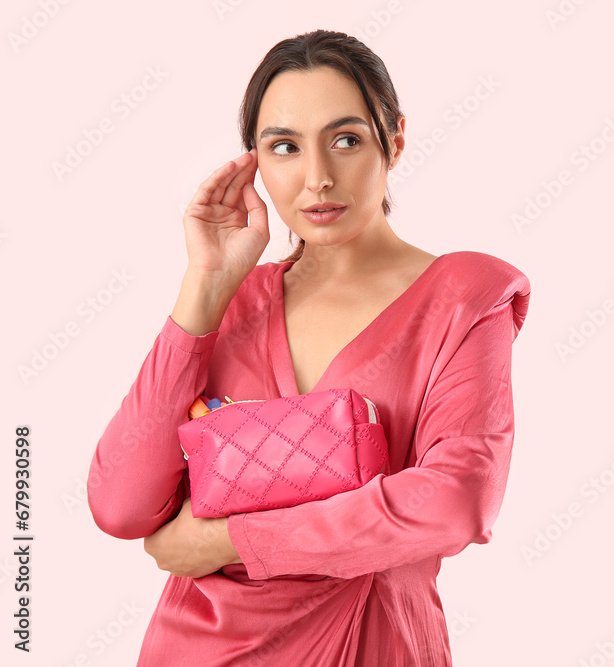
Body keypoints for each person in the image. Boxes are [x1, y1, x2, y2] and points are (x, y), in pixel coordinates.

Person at [86, 29, 530, 666]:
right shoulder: (231, 304)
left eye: (345, 140)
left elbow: (455, 504)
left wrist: (234, 541)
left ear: (394, 140)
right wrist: (204, 287)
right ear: (256, 165)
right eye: (286, 148)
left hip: (373, 645)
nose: (318, 178)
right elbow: (121, 506)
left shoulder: (463, 298)